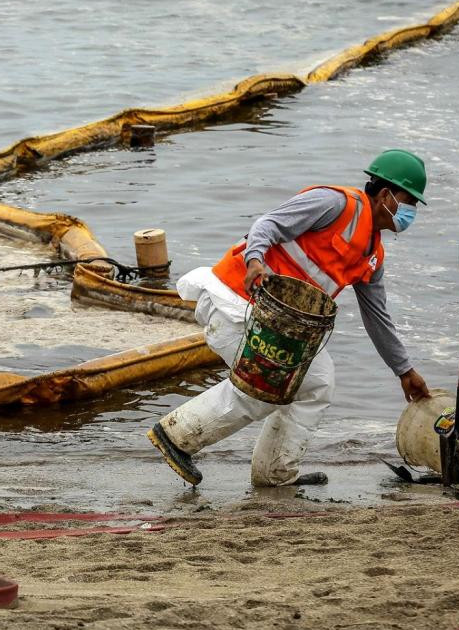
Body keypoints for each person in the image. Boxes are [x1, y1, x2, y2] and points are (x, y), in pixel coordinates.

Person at [147, 149, 432, 487]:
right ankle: (177, 436)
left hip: (277, 326)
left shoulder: (372, 255)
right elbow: (268, 225)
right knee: (266, 384)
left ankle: (275, 472)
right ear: (385, 194)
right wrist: (255, 260)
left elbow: (377, 319)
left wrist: (405, 371)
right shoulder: (335, 204)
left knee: (319, 382)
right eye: (408, 201)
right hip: (235, 303)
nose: (409, 212)